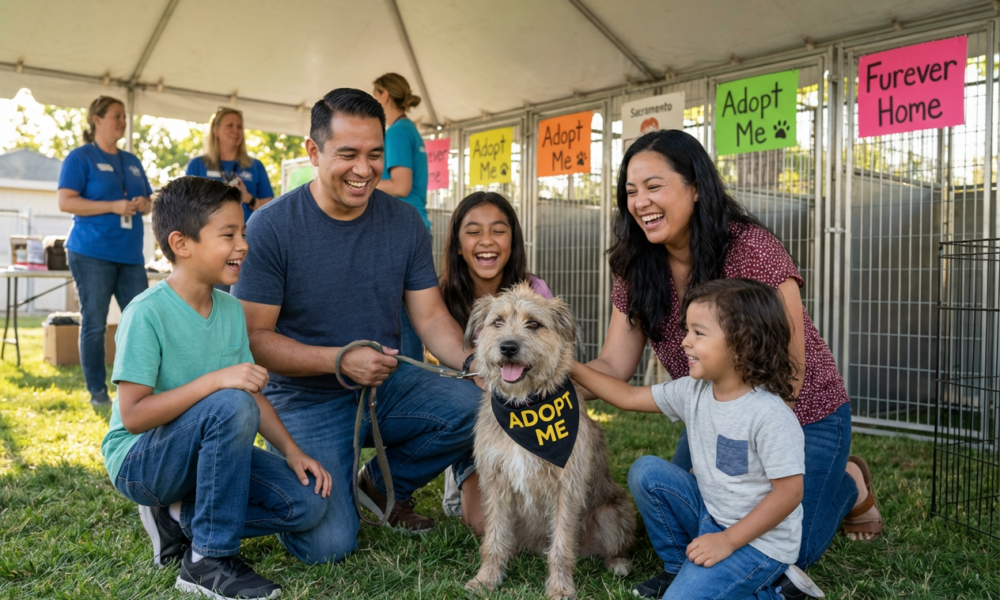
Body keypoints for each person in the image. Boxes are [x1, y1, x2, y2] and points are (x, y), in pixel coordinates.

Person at [584, 130, 882, 568]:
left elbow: (791, 371)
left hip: (801, 414)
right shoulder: (636, 265)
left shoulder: (751, 248)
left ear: (696, 188)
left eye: (653, 186)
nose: (640, 202)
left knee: (786, 550)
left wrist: (731, 468)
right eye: (630, 191)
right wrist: (545, 377)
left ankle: (849, 483)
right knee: (694, 525)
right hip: (716, 411)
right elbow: (613, 364)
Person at [233, 88, 480, 563]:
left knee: (473, 403)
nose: (364, 170)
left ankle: (375, 486)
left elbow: (429, 317)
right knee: (329, 545)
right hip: (303, 397)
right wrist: (338, 360)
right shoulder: (270, 226)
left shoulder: (406, 222)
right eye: (347, 154)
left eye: (374, 155)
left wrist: (474, 364)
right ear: (313, 151)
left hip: (383, 386)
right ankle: (229, 487)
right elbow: (254, 340)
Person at [102, 176, 332, 600]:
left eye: (243, 232)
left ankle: (178, 518)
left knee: (307, 503)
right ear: (181, 243)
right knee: (230, 401)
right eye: (229, 234)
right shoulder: (146, 313)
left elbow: (249, 391)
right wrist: (214, 383)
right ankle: (207, 560)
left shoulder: (229, 308)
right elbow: (133, 416)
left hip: (203, 454)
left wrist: (293, 452)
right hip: (142, 462)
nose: (243, 244)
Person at [573, 279, 822, 600]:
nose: (685, 342)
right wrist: (572, 369)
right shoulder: (695, 391)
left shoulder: (768, 414)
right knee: (647, 471)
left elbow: (789, 494)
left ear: (742, 344)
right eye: (686, 330)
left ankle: (782, 593)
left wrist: (728, 540)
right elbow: (628, 396)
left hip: (759, 545)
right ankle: (677, 567)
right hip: (712, 515)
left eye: (698, 333)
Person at [437, 191, 553, 531]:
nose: (486, 241)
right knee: (484, 524)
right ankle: (459, 477)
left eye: (498, 230)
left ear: (513, 239)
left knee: (529, 524)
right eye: (473, 231)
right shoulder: (439, 297)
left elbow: (550, 359)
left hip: (527, 419)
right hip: (468, 419)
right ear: (458, 244)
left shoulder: (535, 290)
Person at [57, 96, 153, 406]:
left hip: (130, 255)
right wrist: (112, 206)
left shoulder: (132, 161)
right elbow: (66, 201)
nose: (123, 121)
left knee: (143, 320)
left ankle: (147, 386)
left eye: (124, 116)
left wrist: (143, 204)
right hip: (91, 252)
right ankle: (98, 393)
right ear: (96, 120)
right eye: (116, 116)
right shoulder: (80, 157)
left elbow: (150, 202)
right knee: (95, 322)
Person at [373, 73, 429, 362]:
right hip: (414, 224)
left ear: (383, 96)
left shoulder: (395, 131)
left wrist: (363, 183)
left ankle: (409, 377)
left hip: (401, 227)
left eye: (374, 94)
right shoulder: (410, 129)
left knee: (402, 313)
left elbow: (401, 185)